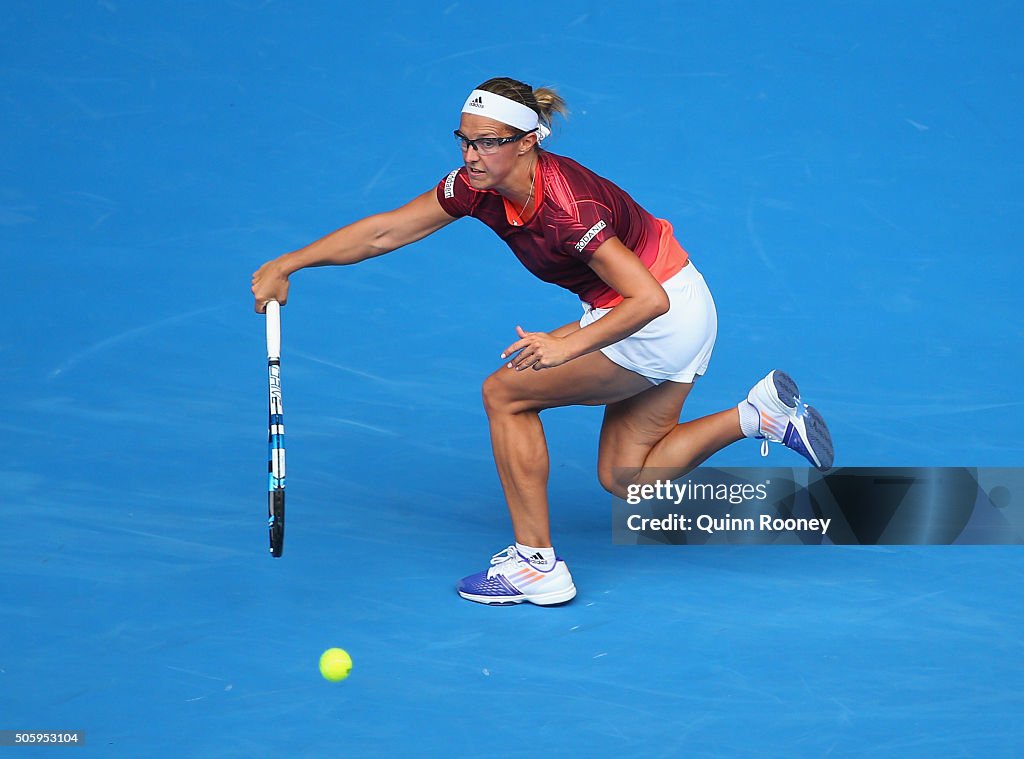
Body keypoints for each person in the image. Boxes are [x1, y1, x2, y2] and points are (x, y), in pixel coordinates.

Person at [251, 77, 834, 607]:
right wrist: (291, 262)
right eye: (465, 140)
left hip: (661, 315)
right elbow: (385, 230)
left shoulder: (568, 208)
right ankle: (758, 415)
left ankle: (536, 563)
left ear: (528, 141)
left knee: (506, 393)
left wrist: (568, 346)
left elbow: (648, 301)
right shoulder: (475, 187)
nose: (470, 155)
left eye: (487, 143)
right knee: (627, 479)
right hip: (667, 301)